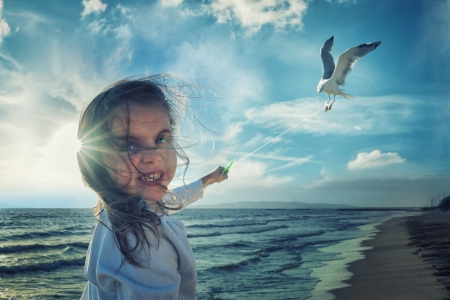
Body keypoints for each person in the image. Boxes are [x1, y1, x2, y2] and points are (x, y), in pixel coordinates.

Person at [77, 75, 228, 299]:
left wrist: (208, 179)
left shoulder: (121, 206)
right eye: (129, 144)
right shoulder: (145, 241)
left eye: (161, 140)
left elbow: (175, 198)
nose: (153, 157)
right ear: (97, 161)